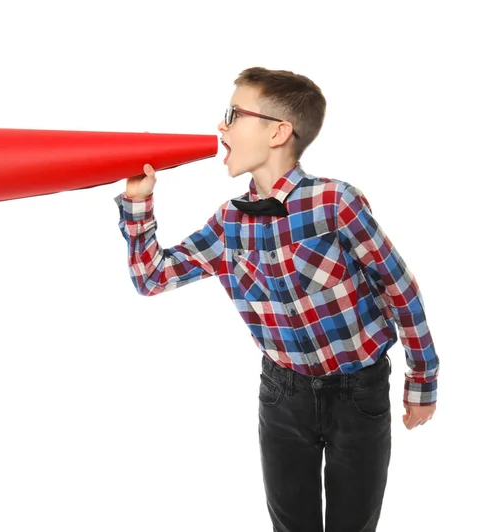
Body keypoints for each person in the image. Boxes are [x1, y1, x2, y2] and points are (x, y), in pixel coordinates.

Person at [113, 66, 439, 532]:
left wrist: (422, 380)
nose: (220, 127)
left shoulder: (335, 202)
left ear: (278, 131)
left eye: (232, 114)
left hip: (359, 392)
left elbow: (398, 289)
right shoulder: (229, 223)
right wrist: (140, 203)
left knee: (355, 523)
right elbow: (150, 277)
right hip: (283, 396)